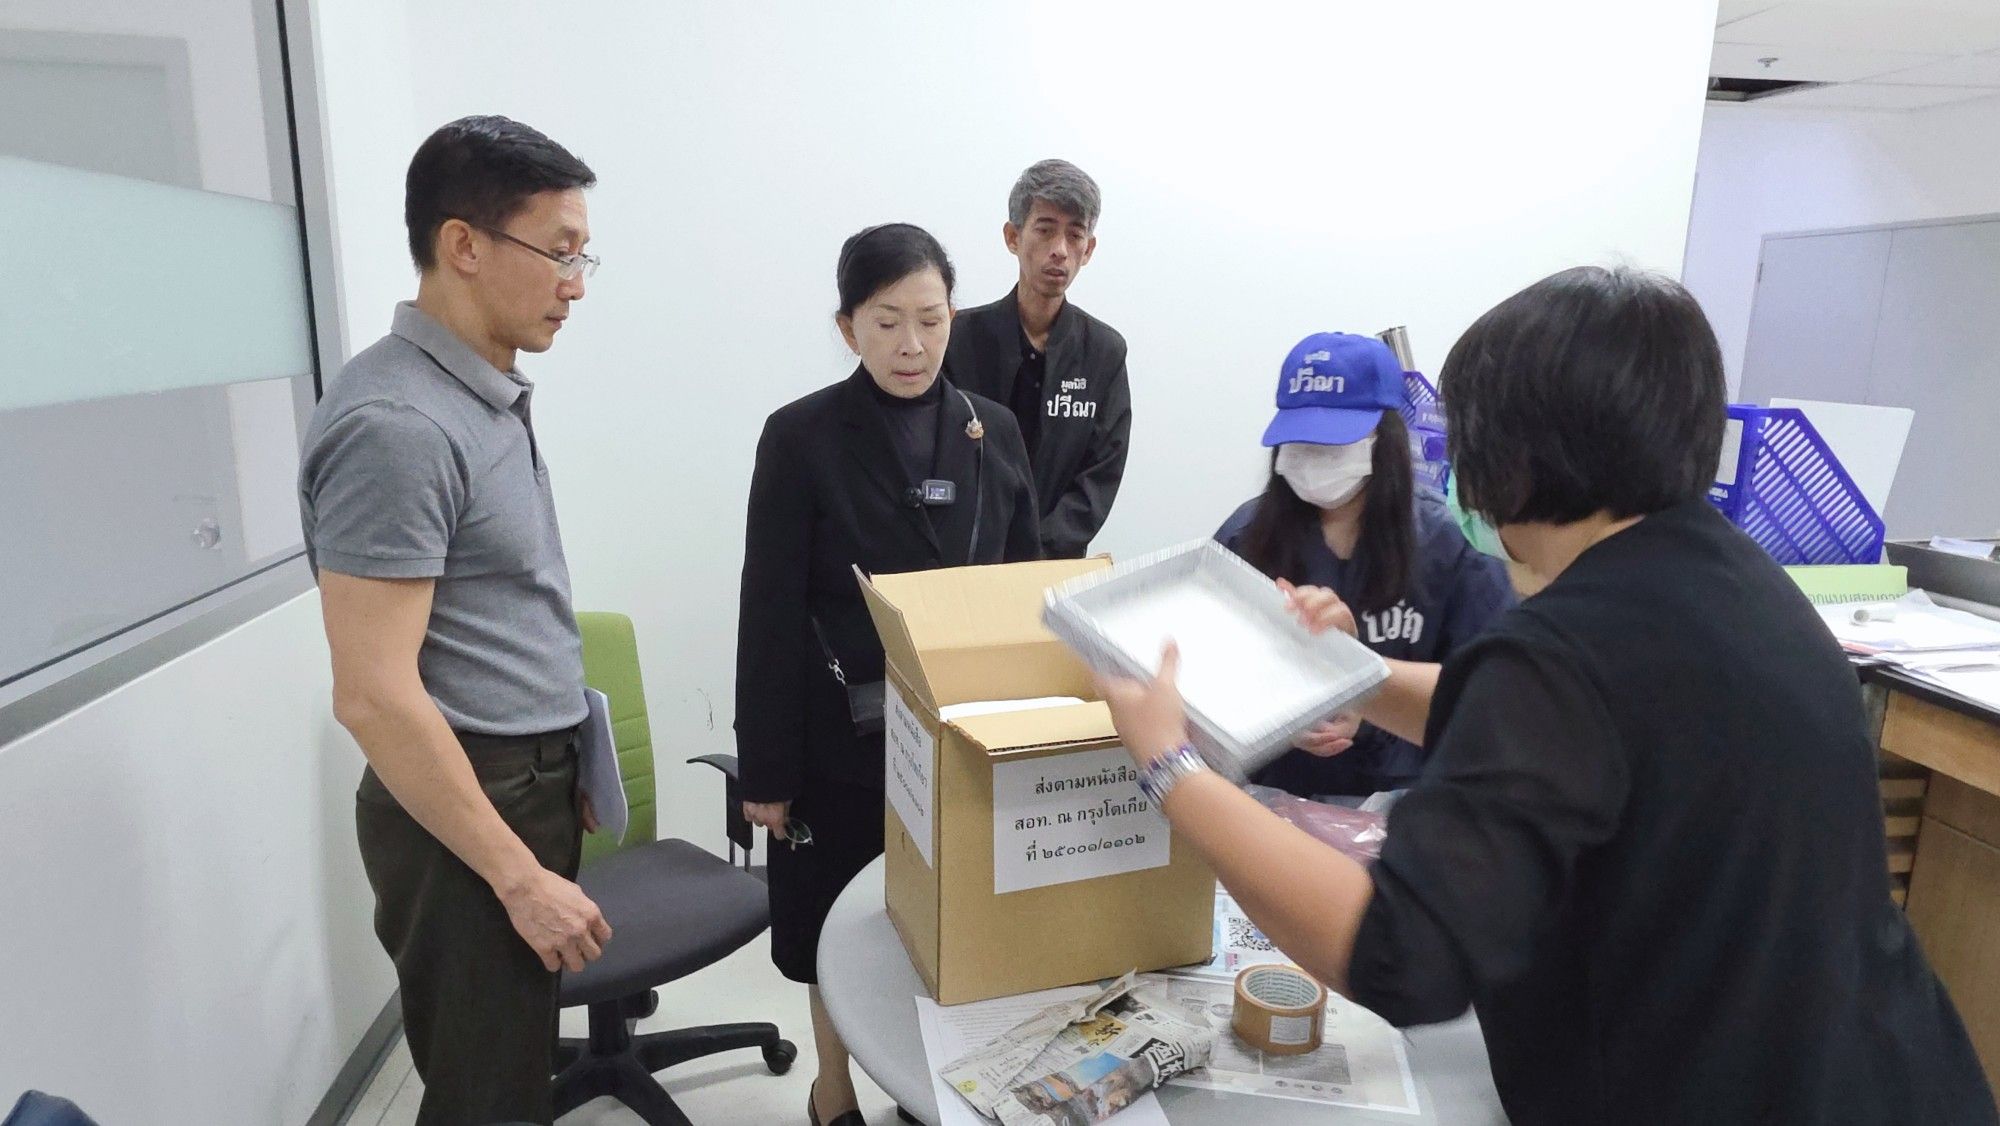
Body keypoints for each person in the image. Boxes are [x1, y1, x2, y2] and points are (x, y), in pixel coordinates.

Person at [1095, 266, 1999, 1124]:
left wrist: (1173, 769)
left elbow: (1400, 956)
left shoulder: (1561, 651)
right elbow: (1543, 725)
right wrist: (1347, 673)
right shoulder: (1732, 582)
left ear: (1514, 459)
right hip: (1887, 1075)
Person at [299, 116, 610, 1126]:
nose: (575, 283)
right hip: (468, 805)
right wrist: (518, 877)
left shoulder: (477, 392)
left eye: (581, 256)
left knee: (509, 1069)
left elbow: (498, 609)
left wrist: (568, 758)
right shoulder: (398, 427)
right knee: (487, 1096)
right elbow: (374, 696)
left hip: (521, 780)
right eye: (559, 252)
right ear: (464, 245)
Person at [734, 223, 1041, 1126]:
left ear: (953, 317)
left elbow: (1025, 590)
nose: (912, 345)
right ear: (848, 327)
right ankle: (833, 1094)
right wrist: (768, 772)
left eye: (931, 320)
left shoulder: (994, 431)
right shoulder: (800, 436)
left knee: (951, 927)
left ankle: (926, 1091)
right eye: (886, 322)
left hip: (963, 737)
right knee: (829, 925)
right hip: (840, 739)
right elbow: (769, 607)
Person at [1216, 332, 1512, 799]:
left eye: (1332, 445)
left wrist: (1373, 705)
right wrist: (1275, 721)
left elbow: (1490, 701)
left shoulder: (1451, 545)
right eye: (1300, 443)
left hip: (1414, 802)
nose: (1313, 459)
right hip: (1277, 798)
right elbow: (1208, 680)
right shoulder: (1244, 538)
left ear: (1384, 440)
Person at [946, 159, 1131, 559]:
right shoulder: (958, 339)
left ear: (1089, 249)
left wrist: (1039, 552)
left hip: (1054, 566)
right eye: (1045, 230)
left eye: (1075, 235)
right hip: (964, 560)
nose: (1059, 250)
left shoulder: (1104, 352)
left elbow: (1101, 473)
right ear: (1013, 237)